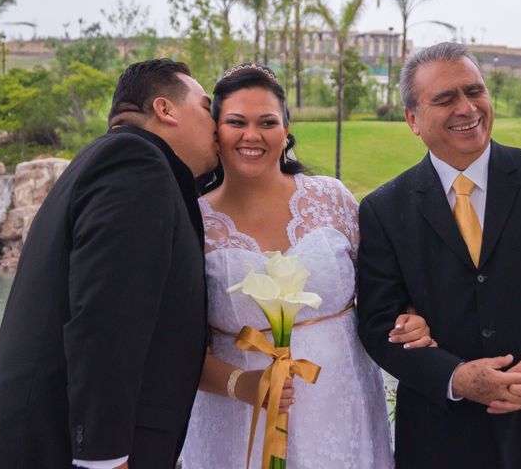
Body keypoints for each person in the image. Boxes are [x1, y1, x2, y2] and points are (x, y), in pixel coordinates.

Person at [357, 41, 521, 469]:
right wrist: (455, 378)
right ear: (412, 119)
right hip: (440, 441)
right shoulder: (384, 208)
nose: (467, 108)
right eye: (445, 98)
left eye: (475, 91)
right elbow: (379, 323)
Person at [181, 62, 434, 468]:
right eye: (236, 122)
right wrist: (242, 385)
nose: (252, 135)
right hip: (239, 418)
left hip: (342, 405)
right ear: (216, 130)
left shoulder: (331, 198)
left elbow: (386, 288)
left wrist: (410, 315)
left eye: (267, 122)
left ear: (285, 131)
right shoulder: (193, 222)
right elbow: (174, 348)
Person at [0, 59, 218, 469]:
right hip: (57, 451)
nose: (216, 121)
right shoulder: (136, 164)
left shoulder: (104, 160)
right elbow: (106, 320)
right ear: (165, 109)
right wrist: (104, 458)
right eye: (206, 107)